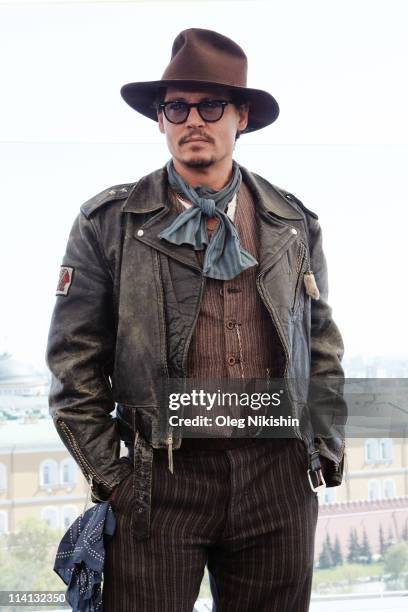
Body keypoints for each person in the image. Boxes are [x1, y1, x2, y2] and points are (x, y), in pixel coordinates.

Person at [46, 28, 346, 612]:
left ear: (241, 117)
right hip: (159, 484)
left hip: (276, 481)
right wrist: (117, 481)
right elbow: (72, 367)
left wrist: (323, 452)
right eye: (176, 107)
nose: (193, 120)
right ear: (160, 121)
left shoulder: (292, 222)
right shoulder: (108, 222)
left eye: (211, 106)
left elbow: (323, 346)